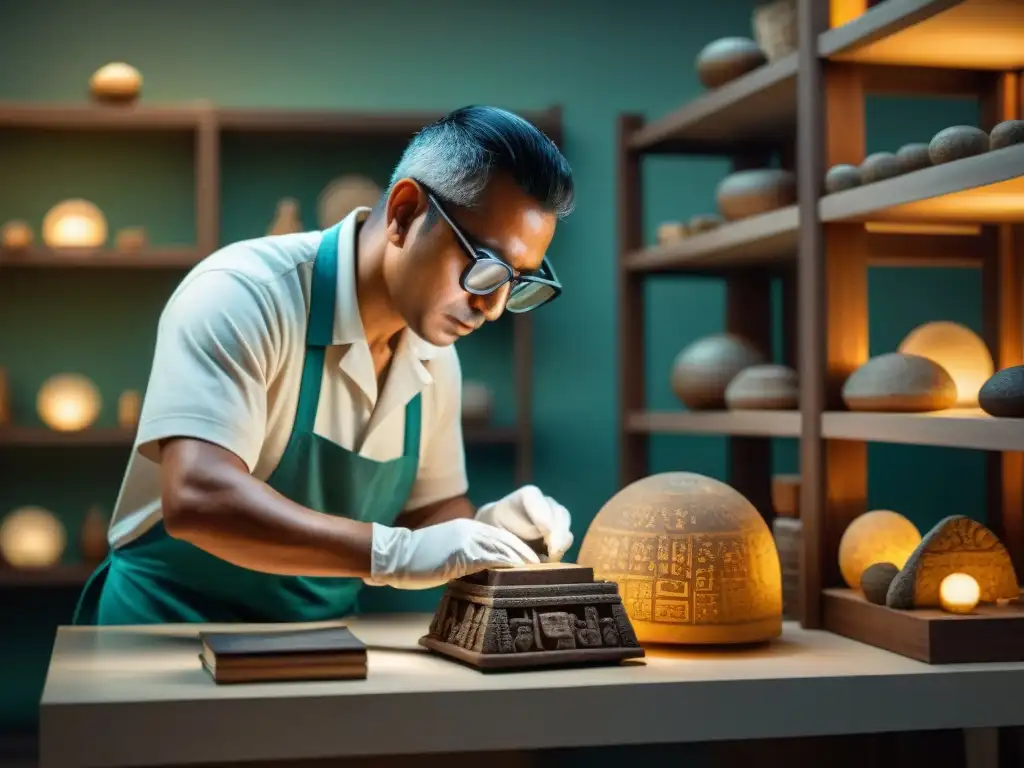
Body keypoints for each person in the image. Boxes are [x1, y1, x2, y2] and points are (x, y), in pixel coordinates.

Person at [73, 105, 576, 625]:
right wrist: (393, 555)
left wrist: (492, 531)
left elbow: (430, 513)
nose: (492, 307)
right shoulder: (244, 294)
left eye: (516, 281)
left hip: (316, 647)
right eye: (486, 268)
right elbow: (199, 496)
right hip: (162, 639)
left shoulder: (436, 358)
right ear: (405, 213)